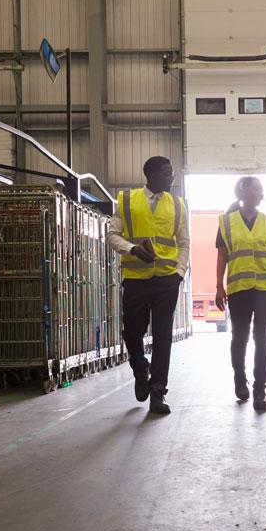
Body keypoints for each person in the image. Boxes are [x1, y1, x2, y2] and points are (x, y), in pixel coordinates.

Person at [107, 156, 189, 415]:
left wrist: (179, 272)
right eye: (167, 174)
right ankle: (140, 369)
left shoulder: (177, 204)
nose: (172, 178)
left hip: (167, 279)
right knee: (132, 332)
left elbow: (184, 242)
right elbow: (111, 235)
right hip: (136, 280)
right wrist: (132, 249)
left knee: (163, 335)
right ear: (151, 175)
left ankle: (158, 392)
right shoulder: (128, 201)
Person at [214, 176, 266, 412]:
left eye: (261, 190)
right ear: (244, 191)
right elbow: (222, 257)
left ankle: (260, 390)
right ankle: (240, 378)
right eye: (257, 189)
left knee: (263, 338)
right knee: (240, 337)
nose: (260, 193)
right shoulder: (226, 223)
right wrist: (219, 286)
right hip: (239, 289)